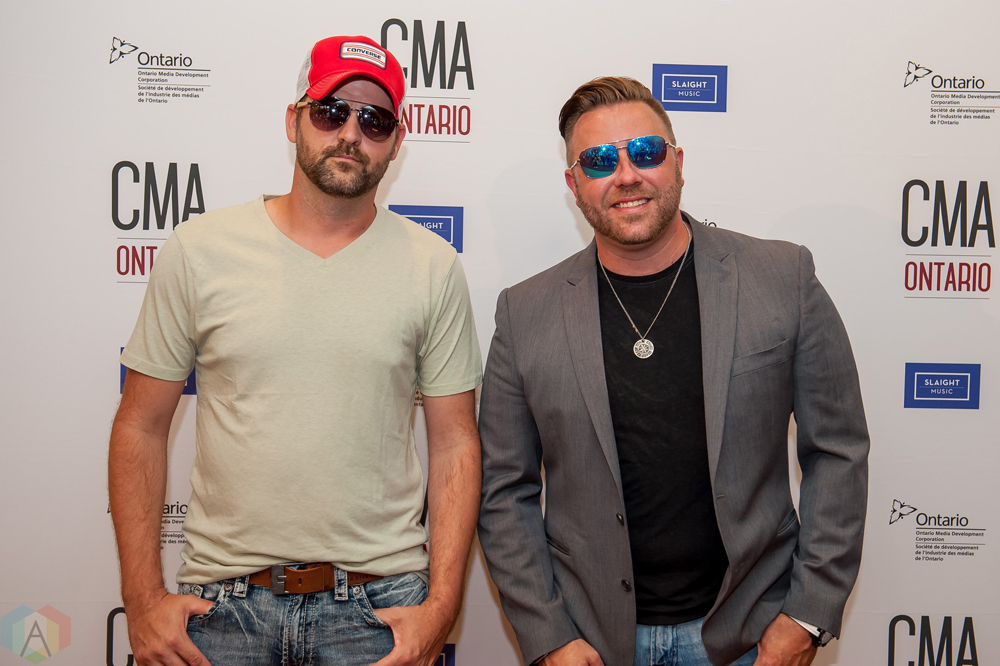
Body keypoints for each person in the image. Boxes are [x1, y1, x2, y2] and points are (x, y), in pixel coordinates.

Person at [109, 35, 482, 666]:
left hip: (380, 611)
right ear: (294, 119)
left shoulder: (433, 266)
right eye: (331, 111)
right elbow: (140, 426)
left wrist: (442, 607)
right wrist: (141, 600)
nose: (351, 134)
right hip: (221, 611)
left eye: (375, 120)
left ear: (396, 140)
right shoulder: (199, 250)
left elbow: (455, 444)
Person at [477, 76, 869, 666]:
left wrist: (807, 614)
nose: (626, 175)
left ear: (678, 163)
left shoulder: (782, 277)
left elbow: (837, 450)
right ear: (574, 185)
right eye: (599, 160)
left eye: (646, 152)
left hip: (751, 635)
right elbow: (504, 490)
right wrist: (548, 635)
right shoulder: (524, 312)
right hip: (593, 642)